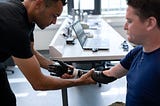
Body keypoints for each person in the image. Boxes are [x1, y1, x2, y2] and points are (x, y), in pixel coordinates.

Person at [0, 0, 95, 106]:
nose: (54, 21)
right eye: (54, 15)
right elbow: (39, 83)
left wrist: (57, 67)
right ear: (38, 4)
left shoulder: (25, 16)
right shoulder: (14, 25)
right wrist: (79, 82)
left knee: (8, 100)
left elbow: (31, 52)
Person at [81, 0, 160, 105]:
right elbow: (108, 75)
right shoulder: (138, 52)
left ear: (150, 23)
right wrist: (73, 72)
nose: (125, 27)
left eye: (130, 21)